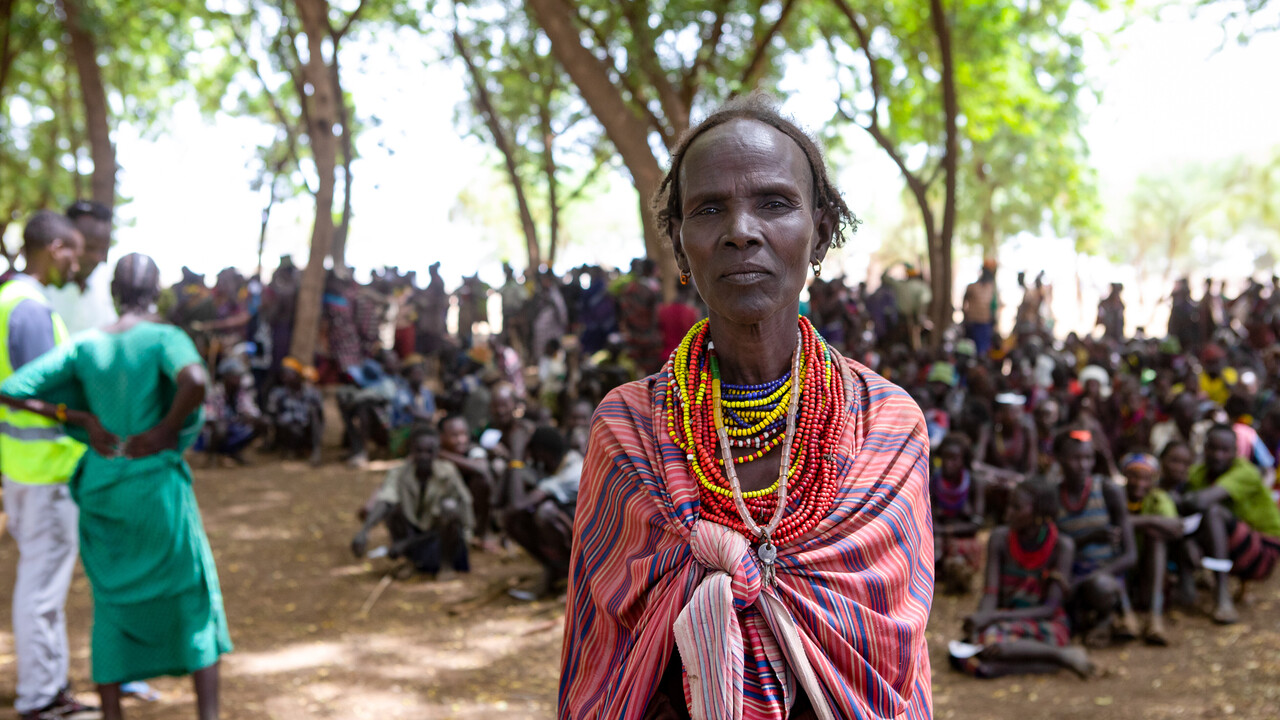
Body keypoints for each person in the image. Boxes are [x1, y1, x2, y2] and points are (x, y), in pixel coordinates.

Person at [559, 95, 932, 719]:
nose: (740, 230)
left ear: (821, 232)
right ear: (680, 246)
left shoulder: (886, 426)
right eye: (709, 209)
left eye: (775, 203)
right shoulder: (628, 429)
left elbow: (890, 655)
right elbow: (609, 657)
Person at [1, 253, 230, 720]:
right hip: (155, 488)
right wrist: (166, 430)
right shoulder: (165, 337)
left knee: (110, 603)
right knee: (190, 594)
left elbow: (11, 389)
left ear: (113, 292)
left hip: (103, 488)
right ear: (157, 293)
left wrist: (76, 417)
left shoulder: (86, 345)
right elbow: (194, 379)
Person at [0, 212, 95, 720]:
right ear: (55, 248)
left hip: (23, 467)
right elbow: (36, 393)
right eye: (73, 251)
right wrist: (82, 417)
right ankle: (40, 698)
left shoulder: (9, 299)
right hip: (46, 471)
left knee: (42, 586)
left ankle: (52, 689)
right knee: (40, 590)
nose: (76, 263)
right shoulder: (31, 308)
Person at [955, 478, 1092, 679]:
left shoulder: (1062, 546)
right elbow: (990, 594)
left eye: (1016, 508)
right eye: (1009, 505)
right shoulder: (999, 539)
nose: (1007, 513)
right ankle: (1056, 660)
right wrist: (981, 619)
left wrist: (991, 617)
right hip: (1006, 619)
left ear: (1038, 513)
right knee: (979, 641)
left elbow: (1049, 609)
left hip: (1044, 622)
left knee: (991, 643)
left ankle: (1052, 655)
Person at [1181, 424, 1280, 624]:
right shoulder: (1199, 473)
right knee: (1193, 528)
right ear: (1204, 448)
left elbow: (1199, 502)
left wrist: (1186, 499)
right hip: (1235, 540)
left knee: (1213, 512)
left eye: (1225, 450)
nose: (1218, 455)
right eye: (1213, 448)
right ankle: (1190, 585)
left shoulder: (1245, 471)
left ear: (1235, 452)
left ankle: (1222, 596)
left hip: (1264, 549)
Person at [351, 426, 474, 578]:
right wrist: (364, 531)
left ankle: (446, 566)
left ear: (437, 452)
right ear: (411, 450)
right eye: (419, 451)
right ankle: (411, 561)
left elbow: (464, 504)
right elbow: (385, 500)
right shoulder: (399, 472)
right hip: (415, 532)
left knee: (450, 507)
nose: (424, 456)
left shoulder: (447, 472)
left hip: (439, 537)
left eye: (429, 451)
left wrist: (468, 536)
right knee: (393, 509)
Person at [1054, 429, 1138, 647]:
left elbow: (1130, 555)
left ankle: (1107, 618)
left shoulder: (1108, 490)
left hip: (1105, 573)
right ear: (1060, 459)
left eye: (1088, 458)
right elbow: (1054, 548)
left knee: (1099, 586)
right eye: (1075, 458)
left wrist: (1088, 579)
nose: (1083, 465)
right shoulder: (1053, 496)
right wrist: (1090, 537)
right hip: (1069, 573)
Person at [504, 426, 583, 599]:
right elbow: (503, 503)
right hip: (576, 530)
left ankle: (573, 577)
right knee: (514, 519)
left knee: (546, 512)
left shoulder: (572, 470)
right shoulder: (552, 466)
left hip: (589, 538)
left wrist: (516, 456)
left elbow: (518, 504)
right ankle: (553, 571)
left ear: (541, 452)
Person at [1119, 451, 1182, 645]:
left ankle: (1155, 616)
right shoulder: (1117, 495)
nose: (1139, 483)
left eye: (1145, 478)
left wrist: (1138, 522)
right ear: (1125, 476)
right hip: (1124, 568)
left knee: (1156, 539)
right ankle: (1126, 614)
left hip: (1148, 569)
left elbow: (1176, 526)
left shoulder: (1158, 498)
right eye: (1134, 476)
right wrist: (1152, 521)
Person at [45, 200, 118, 336]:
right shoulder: (44, 287)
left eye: (103, 249)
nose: (97, 258)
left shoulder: (112, 281)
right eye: (89, 248)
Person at [933, 434, 985, 594]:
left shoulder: (974, 483)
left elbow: (976, 523)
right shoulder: (932, 482)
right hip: (937, 539)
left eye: (954, 458)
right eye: (945, 457)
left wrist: (946, 530)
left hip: (962, 540)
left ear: (964, 460)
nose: (948, 463)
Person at [199, 357, 263, 465]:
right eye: (234, 376)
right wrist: (223, 422)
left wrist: (248, 417)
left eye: (239, 376)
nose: (238, 379)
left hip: (234, 429)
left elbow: (253, 412)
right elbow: (208, 417)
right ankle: (212, 456)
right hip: (213, 434)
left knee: (260, 423)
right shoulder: (214, 393)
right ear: (225, 377)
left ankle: (235, 452)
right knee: (220, 428)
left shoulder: (241, 392)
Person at [265, 357, 324, 465]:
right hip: (287, 430)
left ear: (298, 375)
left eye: (289, 373)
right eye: (283, 373)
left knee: (314, 413)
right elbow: (271, 414)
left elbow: (320, 415)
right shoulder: (278, 393)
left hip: (306, 430)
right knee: (279, 422)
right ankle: (286, 449)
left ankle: (315, 449)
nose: (285, 376)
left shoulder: (312, 392)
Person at [962, 260, 999, 357]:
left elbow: (994, 306)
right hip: (975, 323)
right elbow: (964, 302)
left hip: (983, 323)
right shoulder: (973, 287)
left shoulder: (991, 288)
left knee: (981, 349)